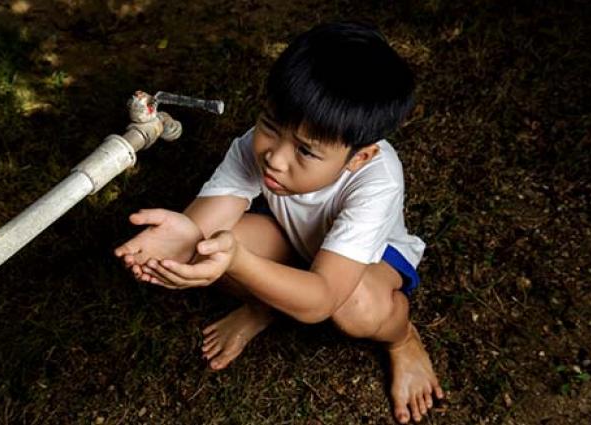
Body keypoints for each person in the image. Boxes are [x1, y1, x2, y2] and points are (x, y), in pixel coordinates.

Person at [114, 21, 443, 423]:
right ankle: (266, 305)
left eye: (306, 151)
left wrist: (238, 262)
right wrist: (184, 236)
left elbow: (323, 299)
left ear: (359, 157)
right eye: (270, 125)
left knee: (357, 309)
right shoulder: (261, 146)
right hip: (294, 240)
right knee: (210, 245)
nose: (275, 157)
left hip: (367, 267)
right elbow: (204, 224)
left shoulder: (378, 179)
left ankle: (402, 340)